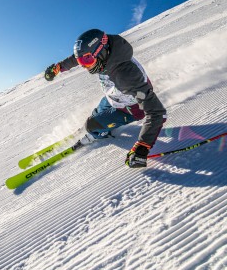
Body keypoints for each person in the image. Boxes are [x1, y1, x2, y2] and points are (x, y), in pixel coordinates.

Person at [44, 29, 166, 168]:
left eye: (87, 60)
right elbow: (77, 58)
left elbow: (157, 112)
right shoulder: (105, 54)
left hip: (130, 109)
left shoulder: (126, 75)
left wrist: (143, 147)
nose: (84, 66)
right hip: (114, 97)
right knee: (96, 114)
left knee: (92, 125)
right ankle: (96, 126)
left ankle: (97, 134)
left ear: (101, 51)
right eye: (82, 61)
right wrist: (59, 67)